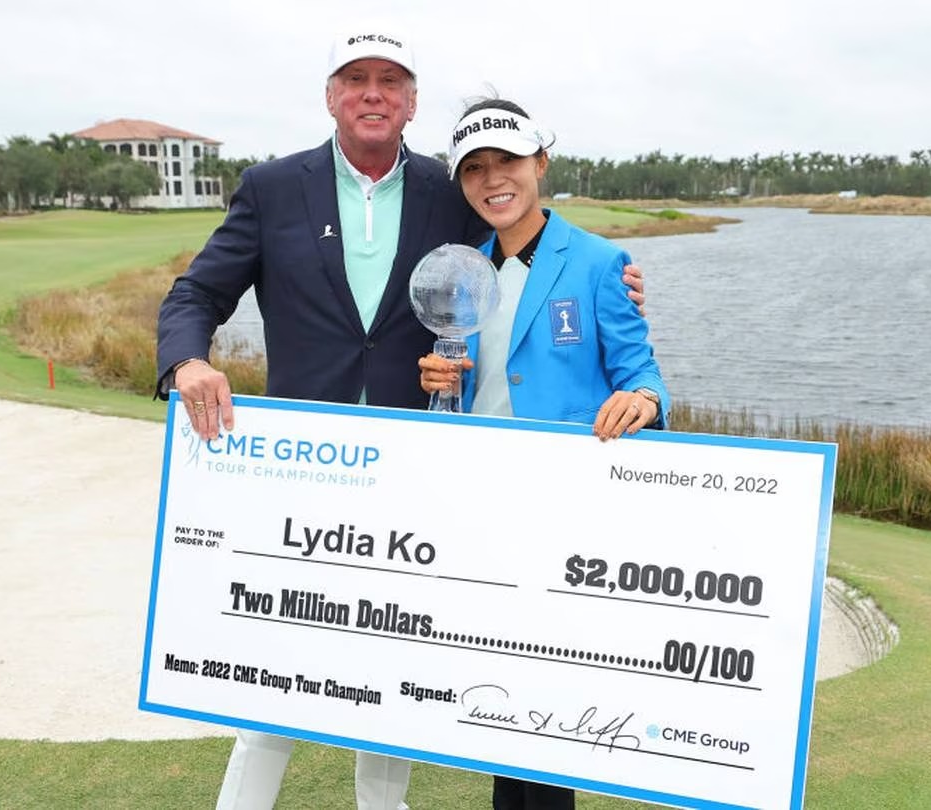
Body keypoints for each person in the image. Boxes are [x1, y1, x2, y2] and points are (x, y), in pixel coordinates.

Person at [155, 29, 649, 810]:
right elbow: (198, 293)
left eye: (391, 80)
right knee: (272, 671)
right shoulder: (273, 187)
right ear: (330, 96)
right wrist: (188, 361)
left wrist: (611, 284)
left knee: (388, 673)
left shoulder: (444, 190)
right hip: (302, 468)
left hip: (413, 470)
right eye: (356, 78)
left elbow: (520, 247)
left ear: (412, 101)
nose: (373, 93)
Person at [418, 97, 670, 807]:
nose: (493, 179)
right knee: (500, 694)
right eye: (475, 168)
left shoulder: (599, 261)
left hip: (567, 510)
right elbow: (463, 382)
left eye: (508, 161)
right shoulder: (463, 270)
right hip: (482, 506)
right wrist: (438, 382)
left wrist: (644, 401)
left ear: (541, 163)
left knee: (552, 702)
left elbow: (642, 373)